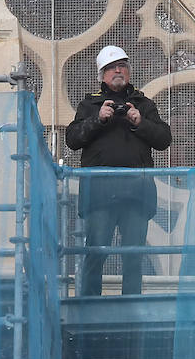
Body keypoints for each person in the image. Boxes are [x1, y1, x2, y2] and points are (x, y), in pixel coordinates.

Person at [65, 45, 172, 296]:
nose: (118, 71)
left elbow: (164, 139)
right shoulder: (90, 105)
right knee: (96, 253)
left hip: (136, 195)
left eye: (122, 66)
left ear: (129, 72)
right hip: (100, 196)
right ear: (102, 74)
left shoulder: (143, 105)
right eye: (112, 68)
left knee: (134, 257)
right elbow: (72, 139)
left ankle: (130, 308)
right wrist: (97, 119)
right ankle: (89, 307)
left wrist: (140, 122)